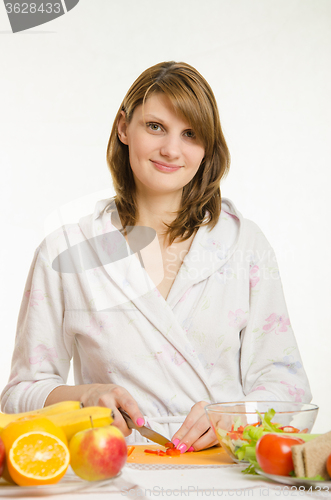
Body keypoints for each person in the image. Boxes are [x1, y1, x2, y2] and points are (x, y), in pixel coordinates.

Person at [1, 61, 312, 453]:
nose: (171, 149)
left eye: (190, 134)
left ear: (207, 148)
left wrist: (234, 416)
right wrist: (83, 397)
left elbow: (289, 387)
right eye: (155, 127)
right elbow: (18, 395)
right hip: (113, 473)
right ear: (123, 127)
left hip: (226, 475)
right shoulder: (64, 252)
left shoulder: (244, 245)